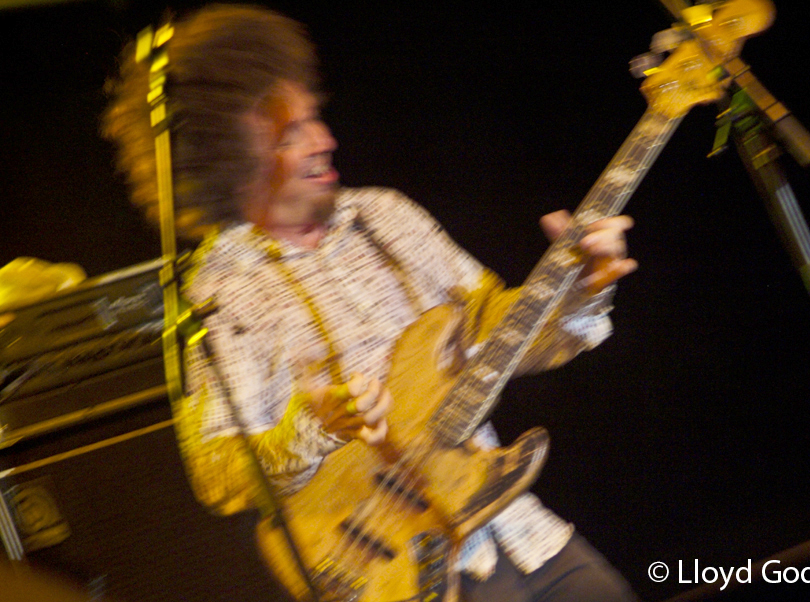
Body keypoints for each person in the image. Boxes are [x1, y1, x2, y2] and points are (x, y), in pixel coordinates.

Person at [103, 5, 640, 602]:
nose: (325, 141)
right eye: (291, 134)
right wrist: (315, 428)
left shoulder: (385, 214)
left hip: (512, 526)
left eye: (315, 119)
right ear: (233, 164)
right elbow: (221, 475)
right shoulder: (216, 297)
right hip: (394, 573)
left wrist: (584, 288)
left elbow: (501, 340)